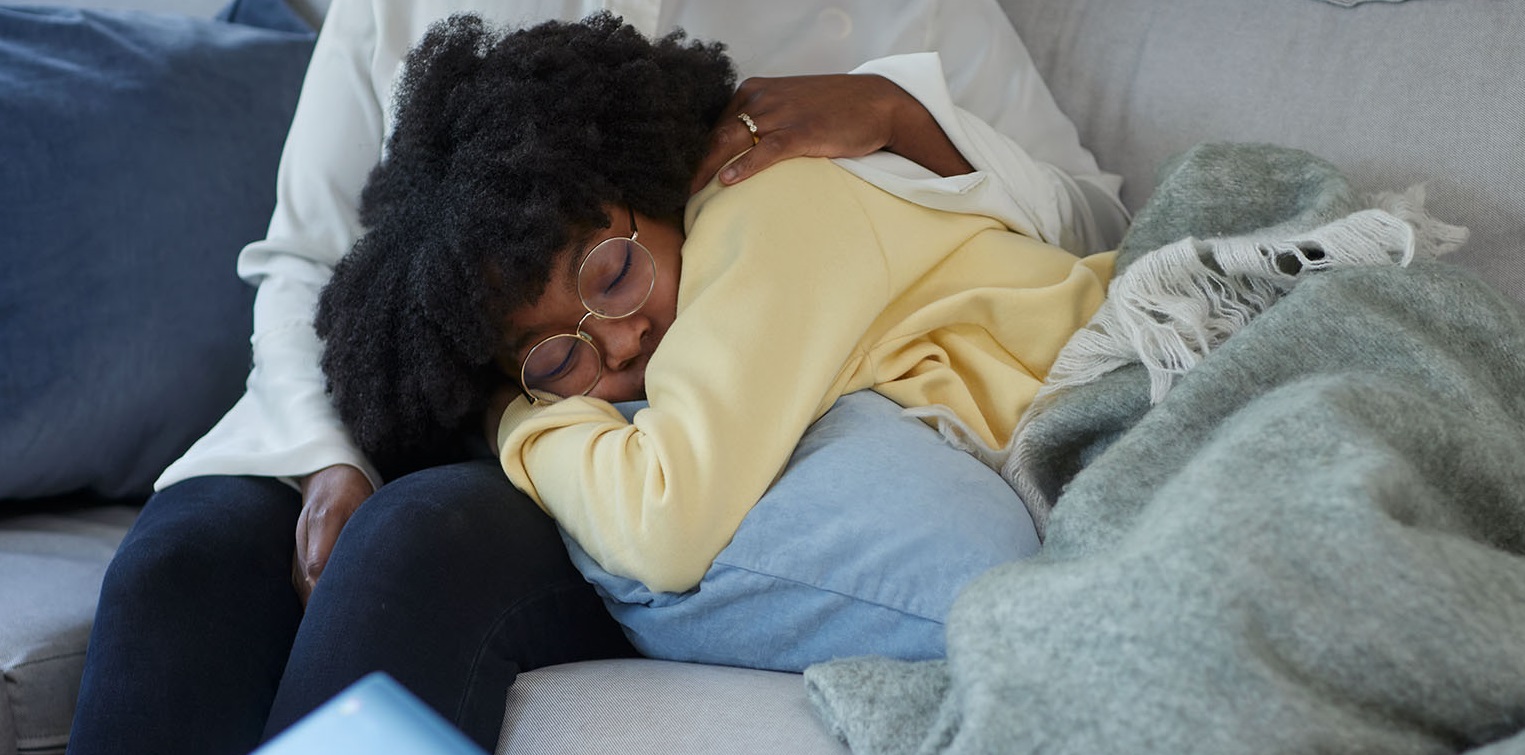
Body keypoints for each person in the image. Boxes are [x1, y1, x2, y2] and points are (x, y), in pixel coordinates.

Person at [47, 0, 1126, 755]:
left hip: (636, 417)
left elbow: (1096, 219)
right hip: (450, 377)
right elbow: (307, 258)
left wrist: (897, 114)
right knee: (183, 561)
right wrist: (333, 454)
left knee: (415, 544)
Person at [318, 14, 1121, 598]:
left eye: (611, 272)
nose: (624, 341)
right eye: (559, 357)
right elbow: (298, 248)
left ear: (662, 188)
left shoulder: (762, 211)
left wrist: (512, 419)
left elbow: (665, 524)